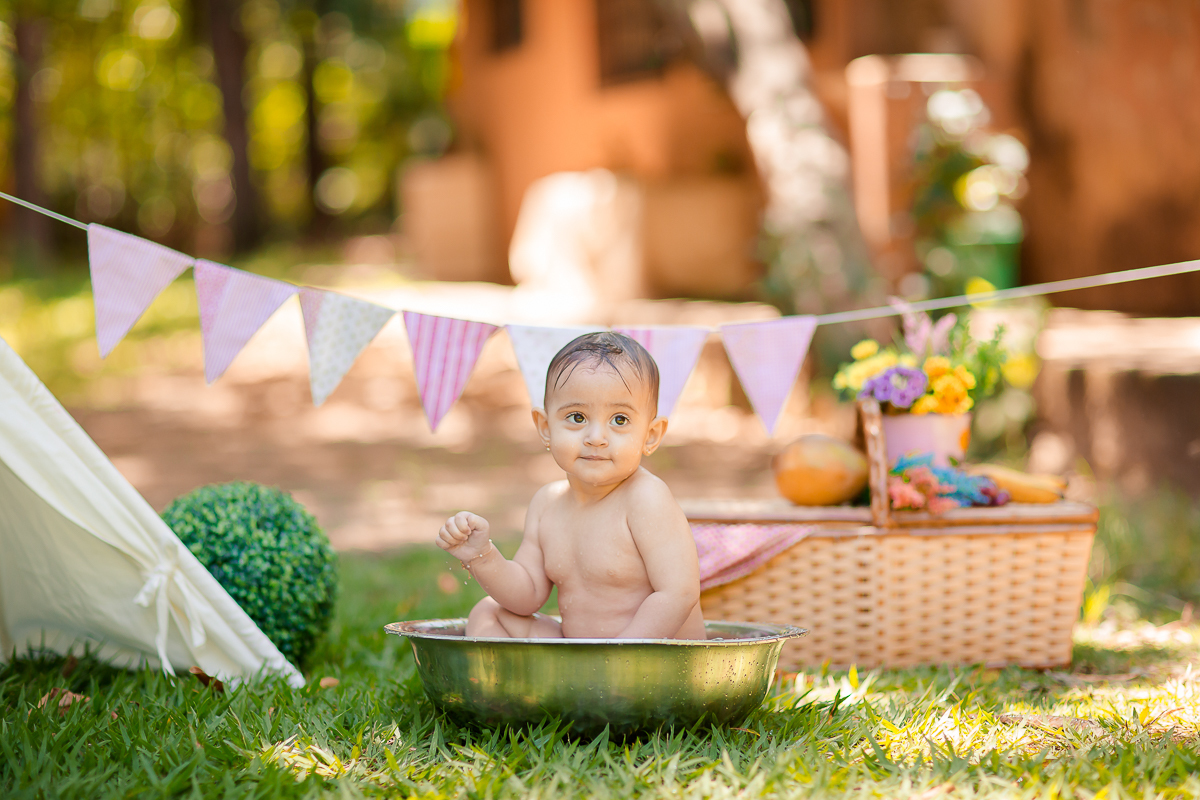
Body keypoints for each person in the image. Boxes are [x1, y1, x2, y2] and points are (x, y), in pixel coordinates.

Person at [435, 331, 706, 640]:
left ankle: (593, 667)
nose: (596, 437)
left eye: (619, 420)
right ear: (546, 428)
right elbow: (527, 595)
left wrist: (620, 656)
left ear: (651, 435)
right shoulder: (547, 504)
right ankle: (515, 675)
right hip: (582, 655)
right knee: (489, 613)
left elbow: (679, 593)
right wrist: (482, 555)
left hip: (655, 657)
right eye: (577, 417)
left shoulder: (646, 499)